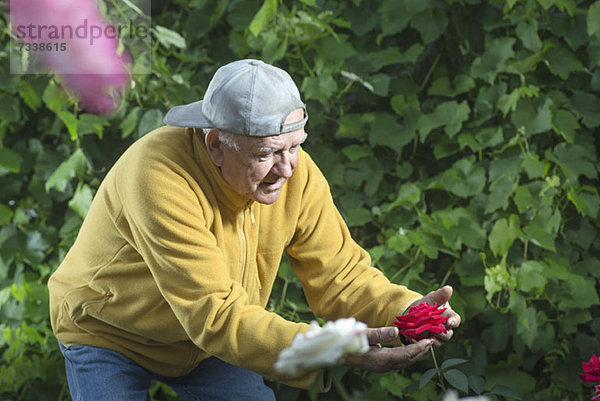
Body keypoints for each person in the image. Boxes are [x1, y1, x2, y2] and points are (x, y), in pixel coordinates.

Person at [48, 59, 461, 400]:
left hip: (204, 344)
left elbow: (340, 276)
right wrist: (331, 346)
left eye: (296, 145)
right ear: (215, 146)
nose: (287, 168)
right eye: (266, 153)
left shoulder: (295, 173)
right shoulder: (158, 177)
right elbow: (217, 316)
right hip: (109, 333)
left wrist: (408, 313)